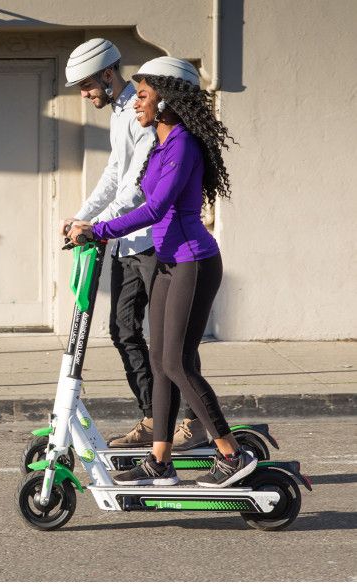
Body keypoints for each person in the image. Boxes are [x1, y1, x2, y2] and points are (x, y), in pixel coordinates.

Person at [68, 56, 256, 487]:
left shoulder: (183, 144)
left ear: (168, 98)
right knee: (159, 360)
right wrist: (90, 219)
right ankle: (159, 459)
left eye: (146, 95)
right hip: (168, 262)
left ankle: (230, 454)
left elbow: (154, 208)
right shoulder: (158, 142)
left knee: (177, 361)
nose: (137, 103)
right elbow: (126, 184)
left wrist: (99, 229)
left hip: (193, 260)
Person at [63, 39, 208, 450]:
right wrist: (82, 217)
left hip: (150, 242)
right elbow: (113, 174)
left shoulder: (144, 111)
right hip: (124, 241)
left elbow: (137, 188)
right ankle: (152, 417)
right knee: (123, 330)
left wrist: (96, 226)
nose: (84, 93)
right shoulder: (119, 115)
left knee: (170, 340)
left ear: (109, 74)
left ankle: (193, 422)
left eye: (87, 84)